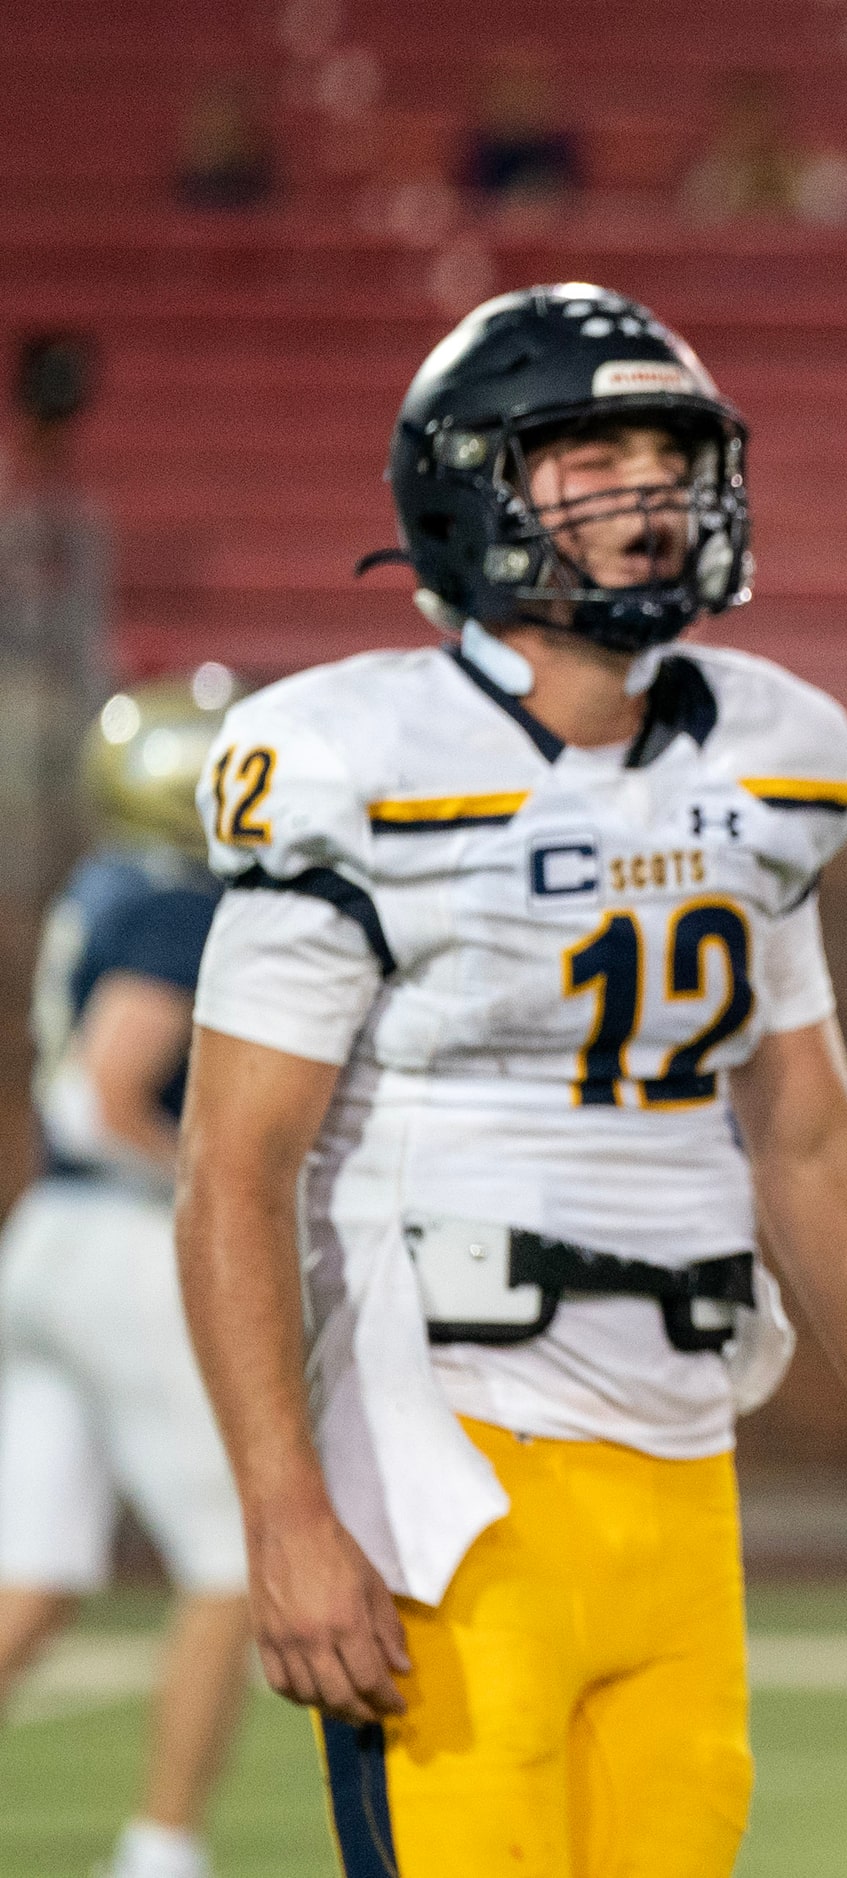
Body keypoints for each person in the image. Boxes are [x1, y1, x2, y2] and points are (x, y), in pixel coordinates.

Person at [172, 283, 847, 1877]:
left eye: (667, 450)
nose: (647, 490)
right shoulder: (360, 757)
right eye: (590, 452)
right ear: (472, 482)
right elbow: (232, 1166)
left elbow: (812, 1134)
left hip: (685, 1456)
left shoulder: (767, 757)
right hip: (449, 1458)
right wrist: (283, 1511)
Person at [0, 673, 251, 1878]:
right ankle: (163, 1849)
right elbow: (108, 1097)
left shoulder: (102, 884)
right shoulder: (175, 903)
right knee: (241, 1560)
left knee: (32, 1575)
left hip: (46, 1239)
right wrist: (214, 1182)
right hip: (122, 1243)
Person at [0, 330, 112, 886]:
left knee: (67, 862)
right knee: (15, 869)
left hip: (63, 698)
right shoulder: (16, 495)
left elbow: (86, 623)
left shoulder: (75, 506)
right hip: (13, 694)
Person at [679, 72, 847, 229]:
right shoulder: (708, 177)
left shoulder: (828, 176)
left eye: (759, 116)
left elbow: (834, 245)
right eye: (741, 119)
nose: (752, 129)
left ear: (784, 122)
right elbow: (701, 237)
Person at [457, 55, 581, 209]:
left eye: (526, 91)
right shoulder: (480, 154)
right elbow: (468, 201)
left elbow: (571, 198)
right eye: (508, 91)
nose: (517, 103)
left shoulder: (559, 149)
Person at [175, 77, 278, 211]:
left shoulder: (263, 192)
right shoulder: (184, 192)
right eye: (211, 123)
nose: (219, 129)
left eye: (229, 124)